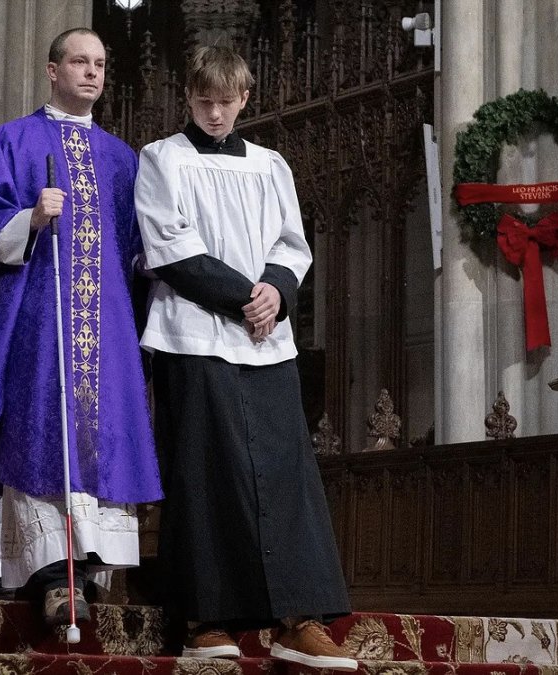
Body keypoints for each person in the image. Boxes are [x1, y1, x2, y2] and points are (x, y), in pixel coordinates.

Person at [134, 45, 355, 667]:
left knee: (287, 478)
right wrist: (243, 298)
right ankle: (208, 619)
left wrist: (277, 293)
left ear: (244, 100)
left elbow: (293, 243)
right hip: (193, 336)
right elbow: (168, 246)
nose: (213, 114)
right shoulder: (163, 159)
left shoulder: (271, 165)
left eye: (225, 103)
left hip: (266, 342)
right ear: (189, 97)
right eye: (203, 102)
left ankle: (298, 618)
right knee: (205, 475)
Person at [0, 27, 162, 624]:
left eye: (99, 64)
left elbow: (142, 245)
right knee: (44, 430)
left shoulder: (123, 158)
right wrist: (28, 220)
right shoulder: (13, 142)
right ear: (52, 70)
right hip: (37, 324)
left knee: (100, 437)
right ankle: (48, 573)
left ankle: (94, 572)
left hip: (108, 326)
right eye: (78, 62)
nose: (91, 73)